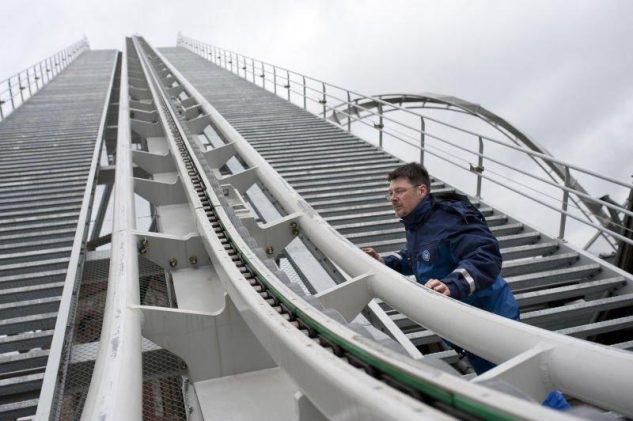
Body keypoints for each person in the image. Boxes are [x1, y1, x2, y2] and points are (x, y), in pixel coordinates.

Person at [363, 162, 519, 374]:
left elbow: (484, 257)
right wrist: (385, 262)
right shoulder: (417, 224)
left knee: (524, 386)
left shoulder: (450, 216)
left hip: (490, 320)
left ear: (421, 190)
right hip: (464, 327)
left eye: (399, 191)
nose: (393, 198)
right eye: (390, 193)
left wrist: (452, 284)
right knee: (504, 388)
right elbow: (418, 256)